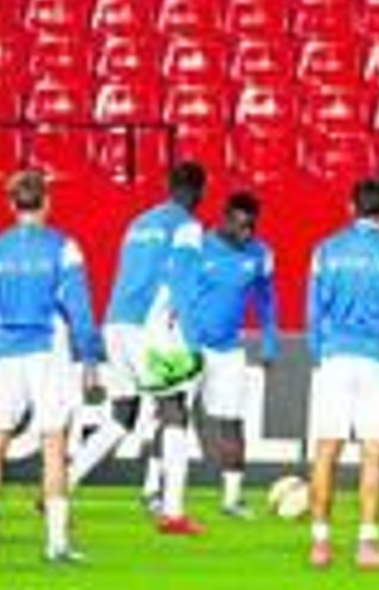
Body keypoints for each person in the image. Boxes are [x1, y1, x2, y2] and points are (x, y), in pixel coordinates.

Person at [69, 161, 208, 535]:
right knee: (175, 408)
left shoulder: (140, 223)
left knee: (122, 414)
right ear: (200, 191)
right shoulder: (188, 226)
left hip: (115, 320)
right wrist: (193, 344)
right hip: (147, 328)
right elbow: (182, 284)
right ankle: (174, 512)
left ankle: (60, 486)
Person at [0, 171, 103, 564]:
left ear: (12, 205)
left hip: (5, 354)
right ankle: (56, 543)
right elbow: (78, 307)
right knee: (53, 444)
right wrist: (90, 355)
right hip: (47, 351)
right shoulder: (64, 248)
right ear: (47, 202)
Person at [305, 178, 379, 570]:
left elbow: (312, 312)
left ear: (349, 206)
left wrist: (319, 353)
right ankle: (367, 544)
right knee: (374, 451)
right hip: (378, 358)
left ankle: (320, 544)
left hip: (334, 357)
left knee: (326, 448)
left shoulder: (325, 250)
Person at [188, 192, 280, 520]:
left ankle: (232, 498)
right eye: (241, 226)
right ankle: (155, 491)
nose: (247, 233)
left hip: (228, 350)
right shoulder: (198, 246)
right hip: (189, 345)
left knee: (232, 422)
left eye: (252, 227)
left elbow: (267, 301)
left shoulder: (261, 254)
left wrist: (269, 343)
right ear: (226, 218)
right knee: (171, 417)